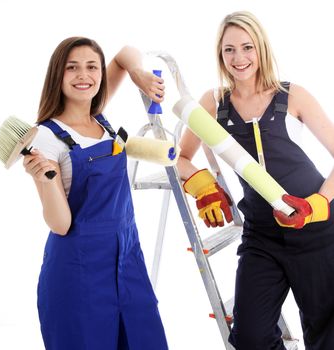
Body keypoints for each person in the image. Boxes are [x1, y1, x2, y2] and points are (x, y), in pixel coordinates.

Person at [177, 11, 334, 350]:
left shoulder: (292, 95)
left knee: (326, 334)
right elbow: (182, 158)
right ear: (220, 55)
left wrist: (317, 203)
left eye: (247, 47)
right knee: (250, 337)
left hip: (316, 231)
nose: (239, 58)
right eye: (229, 50)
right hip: (262, 236)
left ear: (261, 49)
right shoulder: (214, 103)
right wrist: (204, 187)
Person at [22, 36, 168, 350]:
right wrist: (45, 180)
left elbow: (125, 53)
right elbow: (60, 224)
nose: (83, 75)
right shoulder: (47, 138)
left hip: (127, 261)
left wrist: (137, 74)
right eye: (72, 68)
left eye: (92, 67)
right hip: (79, 275)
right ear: (57, 75)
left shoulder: (98, 116)